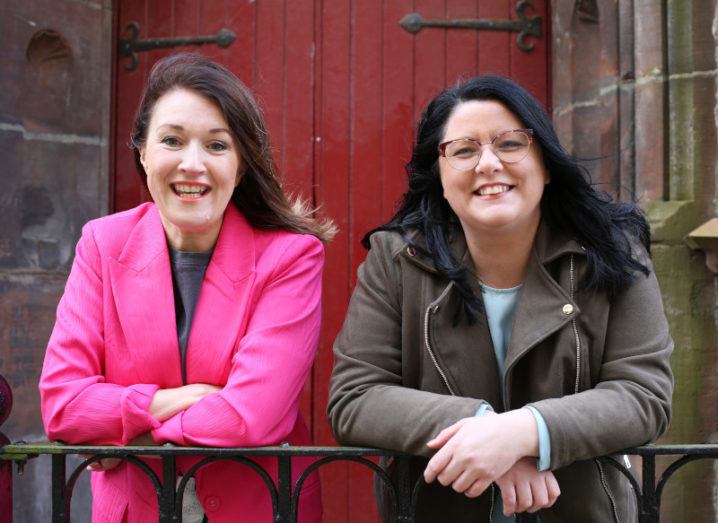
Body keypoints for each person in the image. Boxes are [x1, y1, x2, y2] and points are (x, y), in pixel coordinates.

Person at [327, 75, 673, 522]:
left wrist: (525, 431)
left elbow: (644, 394)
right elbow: (355, 398)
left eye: (510, 143)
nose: (488, 164)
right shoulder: (397, 259)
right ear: (441, 177)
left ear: (545, 164)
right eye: (464, 150)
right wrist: (483, 427)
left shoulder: (612, 252)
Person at [39, 53, 333, 523]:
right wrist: (180, 400)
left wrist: (127, 434)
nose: (192, 164)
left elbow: (249, 416)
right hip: (132, 511)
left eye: (217, 146)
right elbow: (62, 403)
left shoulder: (290, 257)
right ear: (143, 152)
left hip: (259, 510)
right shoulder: (102, 243)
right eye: (172, 140)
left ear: (240, 166)